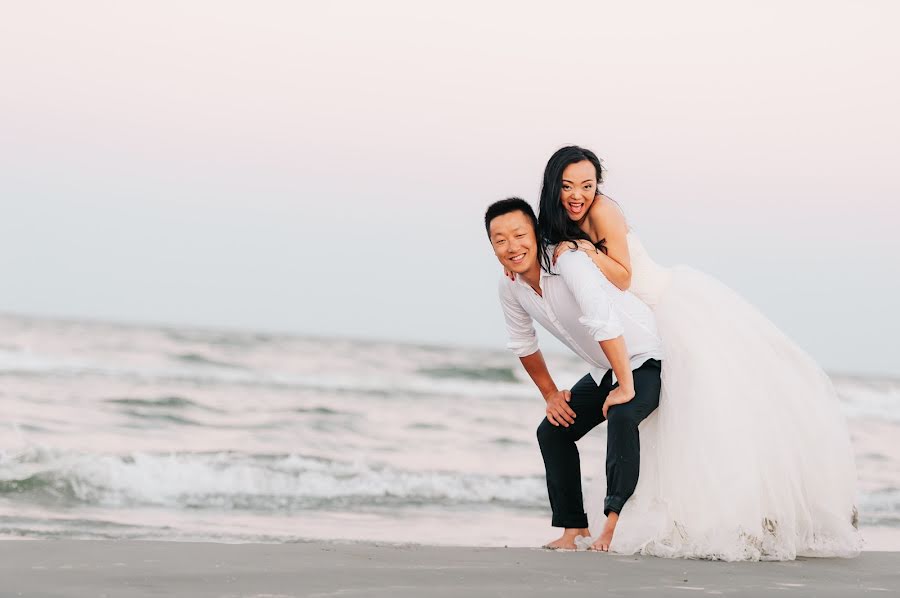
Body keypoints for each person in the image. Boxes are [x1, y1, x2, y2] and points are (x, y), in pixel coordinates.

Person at [538, 145, 861, 560]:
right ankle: (607, 523)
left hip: (668, 314)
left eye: (587, 185)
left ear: (598, 185)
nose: (577, 195)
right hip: (635, 331)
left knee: (706, 422)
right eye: (567, 186)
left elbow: (622, 277)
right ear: (554, 187)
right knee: (659, 432)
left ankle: (741, 516)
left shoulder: (602, 212)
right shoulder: (557, 223)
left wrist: (586, 251)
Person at [485, 197, 663, 551]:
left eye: (519, 235)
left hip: (645, 355)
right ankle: (574, 529)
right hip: (605, 368)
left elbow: (604, 320)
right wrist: (551, 394)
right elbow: (523, 343)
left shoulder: (567, 262)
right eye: (500, 240)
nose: (512, 246)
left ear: (535, 233)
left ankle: (612, 525)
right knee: (552, 431)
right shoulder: (510, 287)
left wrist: (626, 385)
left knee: (622, 413)